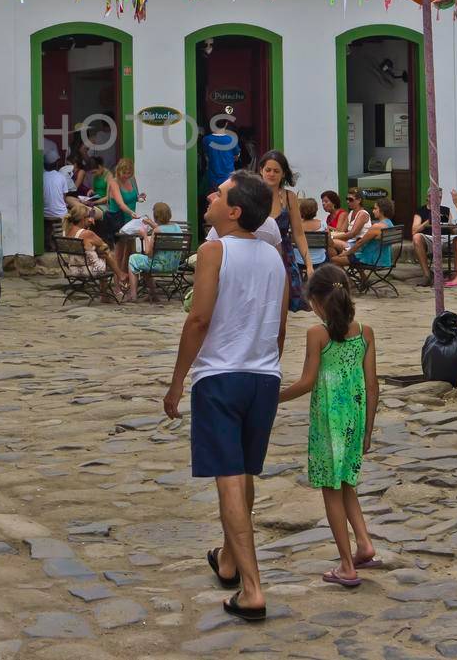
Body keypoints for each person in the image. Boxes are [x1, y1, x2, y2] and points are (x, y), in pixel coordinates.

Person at [162, 172, 287, 623]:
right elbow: (279, 328)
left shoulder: (213, 251)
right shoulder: (275, 258)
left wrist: (178, 381)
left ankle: (252, 589)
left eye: (219, 193)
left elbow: (198, 319)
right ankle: (231, 560)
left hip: (221, 376)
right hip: (263, 377)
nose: (211, 196)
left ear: (234, 211)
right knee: (244, 472)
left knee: (229, 478)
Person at [277, 264, 379, 587]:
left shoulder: (317, 334)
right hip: (355, 418)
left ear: (318, 302)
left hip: (328, 421)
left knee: (331, 490)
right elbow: (373, 385)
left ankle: (347, 565)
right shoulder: (364, 332)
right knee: (347, 482)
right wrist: (367, 431)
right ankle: (364, 543)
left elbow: (308, 382)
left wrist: (274, 398)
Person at [259, 151, 316, 310]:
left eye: (276, 171)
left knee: (283, 306)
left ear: (283, 173)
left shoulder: (289, 197)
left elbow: (298, 233)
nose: (271, 174)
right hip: (257, 255)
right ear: (261, 170)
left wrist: (309, 264)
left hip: (284, 256)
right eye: (268, 170)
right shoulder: (253, 195)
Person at [128, 201, 184, 301]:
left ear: (155, 216)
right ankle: (153, 294)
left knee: (133, 259)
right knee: (144, 265)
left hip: (159, 265)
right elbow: (163, 230)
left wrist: (144, 235)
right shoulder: (177, 227)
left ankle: (133, 295)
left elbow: (148, 253)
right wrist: (151, 223)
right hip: (174, 265)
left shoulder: (157, 231)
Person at [335, 198, 394, 271]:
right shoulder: (390, 224)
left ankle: (348, 281)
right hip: (385, 260)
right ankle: (363, 279)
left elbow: (360, 243)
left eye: (375, 209)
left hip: (371, 260)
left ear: (382, 210)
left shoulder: (377, 227)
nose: (373, 211)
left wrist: (347, 253)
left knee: (334, 260)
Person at [409, 201, 455, 287]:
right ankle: (427, 275)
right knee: (416, 238)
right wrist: (428, 221)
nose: (439, 198)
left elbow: (455, 231)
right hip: (430, 238)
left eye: (440, 197)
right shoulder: (421, 211)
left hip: (445, 238)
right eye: (437, 196)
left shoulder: (446, 210)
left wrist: (451, 225)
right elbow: (414, 230)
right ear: (429, 197)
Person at [42, 156, 74, 246]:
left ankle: (49, 241)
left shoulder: (40, 177)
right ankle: (64, 241)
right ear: (56, 164)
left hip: (44, 213)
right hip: (60, 214)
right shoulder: (61, 177)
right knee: (72, 214)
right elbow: (63, 198)